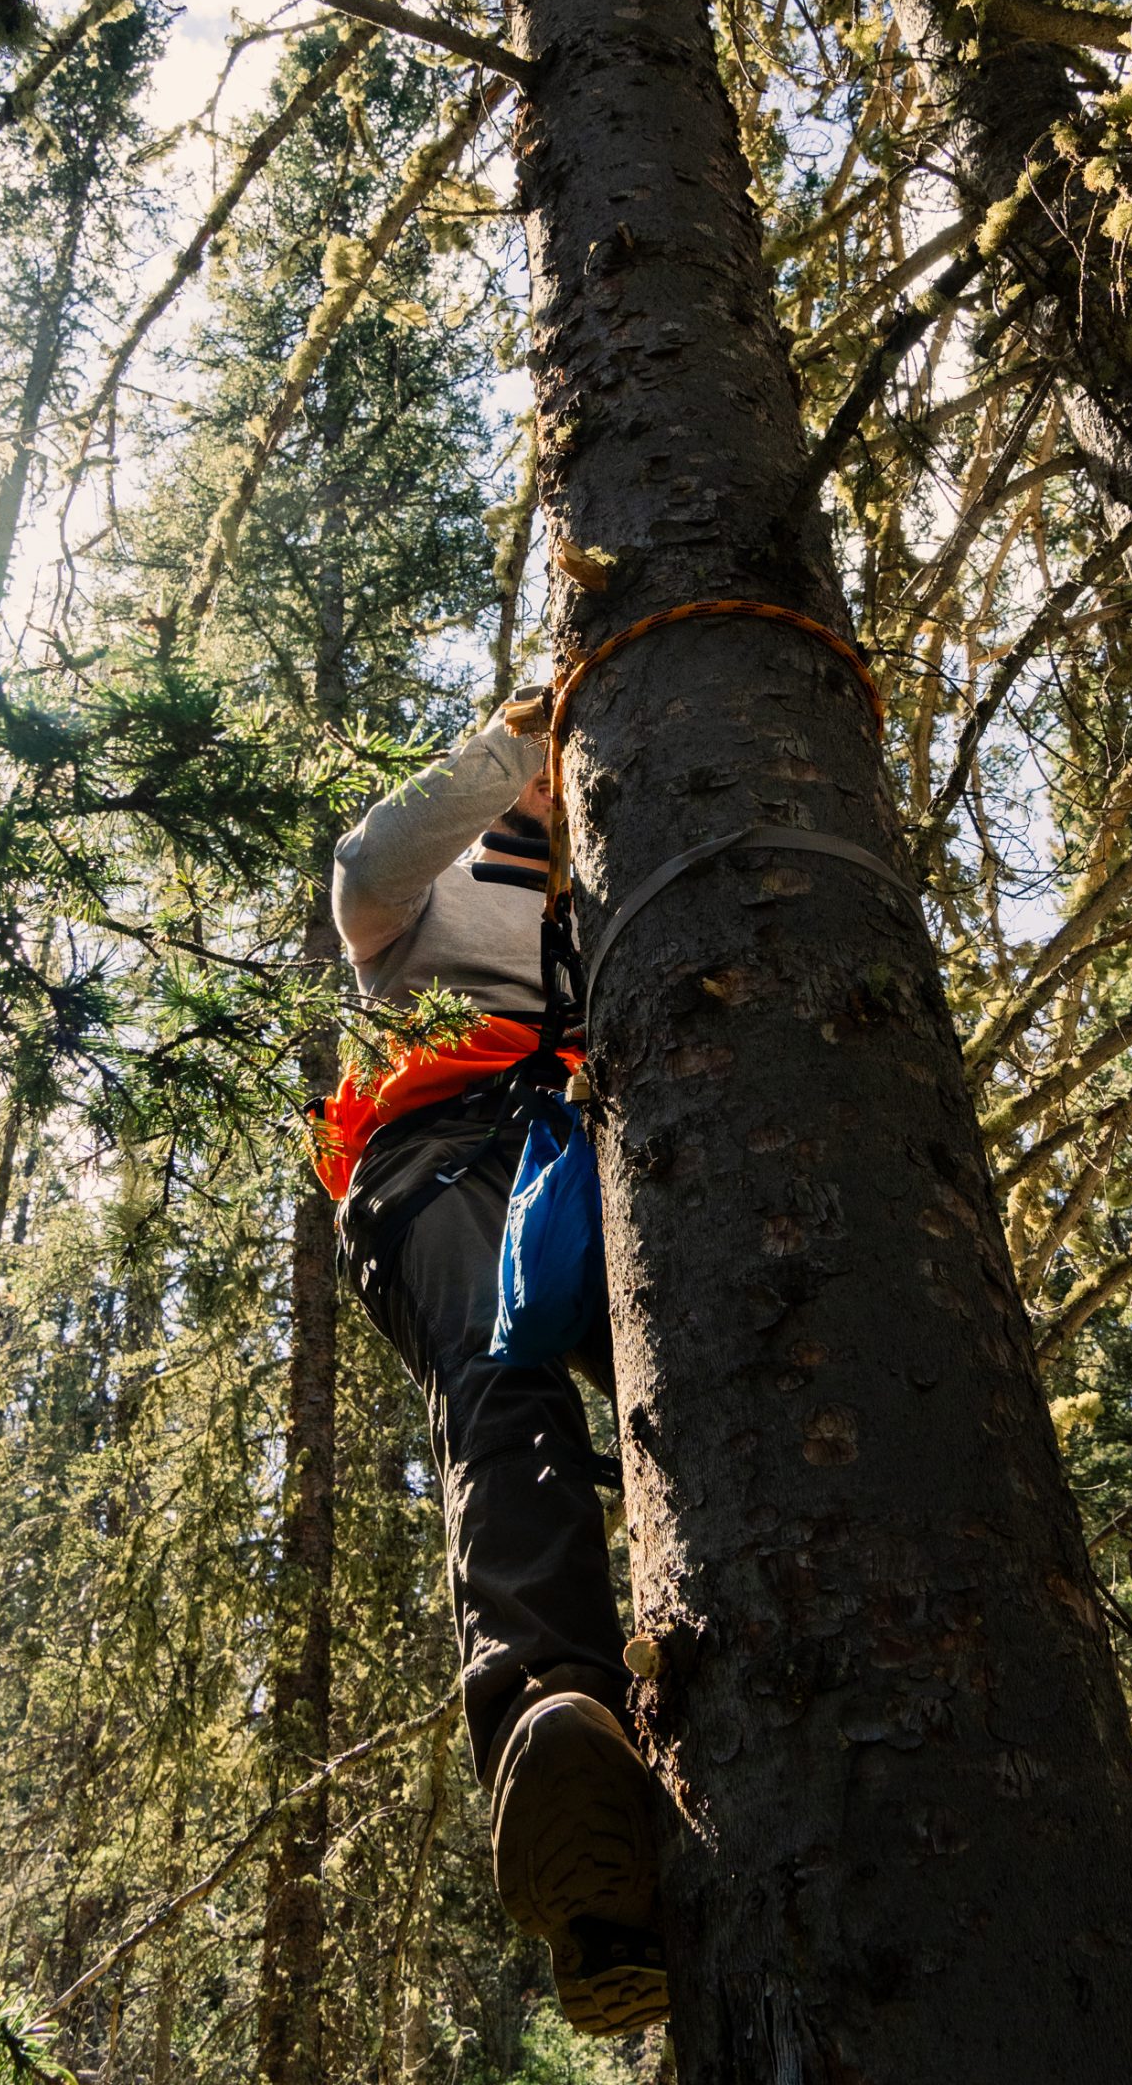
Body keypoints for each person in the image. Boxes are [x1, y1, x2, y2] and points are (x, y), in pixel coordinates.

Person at [329, 695, 667, 2039]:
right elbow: (365, 868)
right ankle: (553, 1728)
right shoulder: (427, 905)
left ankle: (672, 1780)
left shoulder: (617, 919)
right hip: (444, 1166)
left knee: (693, 1401)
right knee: (502, 1379)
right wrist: (513, 747)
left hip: (592, 1176)